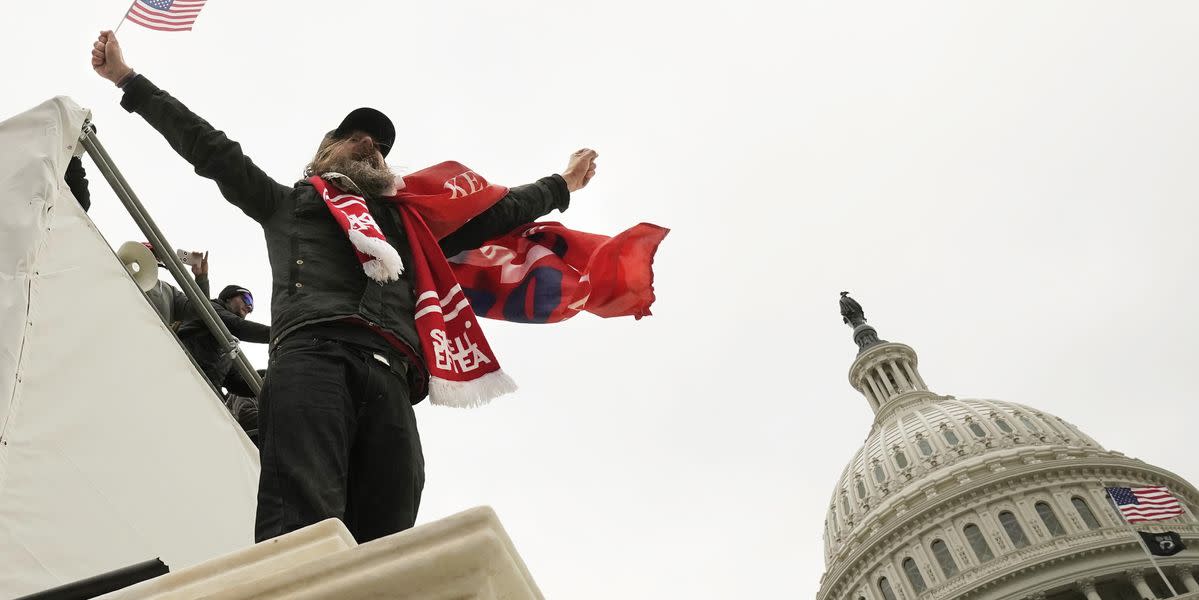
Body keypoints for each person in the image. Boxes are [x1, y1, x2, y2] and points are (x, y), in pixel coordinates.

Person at [91, 30, 599, 543]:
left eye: (378, 146)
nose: (369, 145)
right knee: (302, 527)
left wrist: (562, 185)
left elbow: (498, 211)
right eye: (354, 136)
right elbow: (210, 148)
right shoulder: (286, 204)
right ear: (324, 152)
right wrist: (128, 81)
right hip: (314, 359)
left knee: (388, 533)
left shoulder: (410, 228)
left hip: (394, 378)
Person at [177, 285, 270, 396]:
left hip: (203, 390)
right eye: (247, 299)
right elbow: (238, 326)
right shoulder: (211, 308)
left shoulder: (227, 342)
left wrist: (271, 375)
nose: (249, 307)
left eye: (251, 308)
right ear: (228, 297)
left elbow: (236, 383)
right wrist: (281, 333)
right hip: (181, 370)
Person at [143, 243, 210, 331]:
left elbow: (197, 312)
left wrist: (201, 278)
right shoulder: (122, 276)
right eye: (147, 254)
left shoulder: (169, 290)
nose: (153, 258)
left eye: (155, 255)